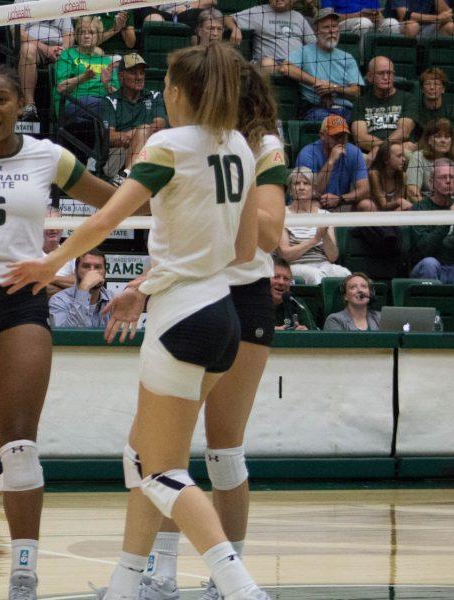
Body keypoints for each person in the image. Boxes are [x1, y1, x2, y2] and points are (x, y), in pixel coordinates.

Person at [5, 43, 269, 600]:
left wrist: (51, 262)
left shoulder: (169, 144)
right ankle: (125, 585)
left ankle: (242, 588)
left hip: (181, 317)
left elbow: (105, 218)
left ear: (177, 91)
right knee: (140, 456)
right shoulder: (242, 145)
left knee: (161, 471)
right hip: (224, 312)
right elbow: (246, 249)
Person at [0, 65, 115, 600]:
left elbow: (113, 201)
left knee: (19, 444)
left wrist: (57, 259)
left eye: (2, 100)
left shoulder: (46, 154)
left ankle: (23, 572)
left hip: (23, 301)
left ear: (20, 104)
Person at [138, 61, 288, 600]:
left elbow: (268, 235)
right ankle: (160, 574)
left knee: (222, 450)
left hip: (240, 297)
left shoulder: (260, 145)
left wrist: (234, 181)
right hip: (190, 293)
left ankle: (232, 578)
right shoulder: (184, 140)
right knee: (159, 451)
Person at [281, 8, 364, 122]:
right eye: (326, 27)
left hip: (346, 110)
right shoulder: (305, 52)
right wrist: (318, 83)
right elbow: (286, 68)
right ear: (316, 31)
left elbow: (356, 92)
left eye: (334, 27)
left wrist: (333, 88)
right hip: (316, 109)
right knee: (330, 122)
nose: (331, 31)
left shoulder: (347, 57)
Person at [100, 53, 167, 182]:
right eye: (133, 73)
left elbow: (159, 126)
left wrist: (133, 134)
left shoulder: (154, 96)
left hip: (149, 152)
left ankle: (125, 176)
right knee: (144, 132)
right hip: (118, 156)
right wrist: (139, 134)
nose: (139, 77)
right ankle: (127, 175)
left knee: (147, 134)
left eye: (142, 73)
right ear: (121, 76)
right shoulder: (110, 100)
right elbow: (109, 137)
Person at [280, 166, 351, 283]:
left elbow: (333, 257)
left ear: (312, 189)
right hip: (295, 265)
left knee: (345, 274)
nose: (301, 187)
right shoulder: (283, 214)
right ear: (291, 190)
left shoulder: (324, 215)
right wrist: (315, 239)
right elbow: (285, 255)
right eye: (297, 183)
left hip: (323, 264)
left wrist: (325, 235)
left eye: (306, 183)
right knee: (315, 275)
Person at [295, 114, 370, 210]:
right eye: (336, 136)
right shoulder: (307, 154)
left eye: (343, 136)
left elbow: (364, 189)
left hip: (341, 203)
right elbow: (310, 192)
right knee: (313, 206)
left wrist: (340, 199)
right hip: (313, 202)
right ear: (322, 135)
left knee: (367, 204)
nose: (340, 140)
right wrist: (330, 162)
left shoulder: (353, 152)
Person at [351, 57, 418, 164]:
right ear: (369, 76)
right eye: (381, 73)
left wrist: (382, 149)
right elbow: (360, 138)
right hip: (369, 153)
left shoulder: (407, 98)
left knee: (415, 158)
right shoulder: (361, 102)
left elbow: (404, 131)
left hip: (401, 152)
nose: (386, 77)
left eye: (390, 73)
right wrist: (386, 149)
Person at [53, 16, 116, 122]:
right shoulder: (67, 55)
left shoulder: (106, 61)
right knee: (107, 107)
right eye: (82, 32)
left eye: (91, 32)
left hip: (102, 103)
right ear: (77, 35)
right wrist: (83, 77)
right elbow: (61, 88)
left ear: (98, 36)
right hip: (74, 102)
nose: (86, 36)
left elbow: (116, 93)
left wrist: (107, 84)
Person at [226, 0, 315, 72]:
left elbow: (313, 43)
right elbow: (227, 18)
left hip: (295, 64)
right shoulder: (258, 12)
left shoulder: (298, 16)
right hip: (270, 63)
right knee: (267, 63)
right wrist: (235, 28)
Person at [18, 17, 73, 121]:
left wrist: (63, 49)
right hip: (34, 46)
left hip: (58, 49)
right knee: (27, 50)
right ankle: (29, 106)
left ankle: (66, 114)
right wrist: (45, 48)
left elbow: (69, 35)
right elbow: (17, 33)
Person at [410, 159, 454, 282]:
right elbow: (423, 250)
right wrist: (447, 220)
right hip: (427, 267)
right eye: (443, 177)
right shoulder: (420, 209)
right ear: (431, 183)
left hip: (451, 268)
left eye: (451, 177)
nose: (448, 181)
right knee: (430, 263)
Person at [49, 249, 113, 329]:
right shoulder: (58, 300)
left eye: (97, 267)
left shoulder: (114, 300)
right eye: (86, 266)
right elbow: (67, 338)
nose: (92, 272)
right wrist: (84, 289)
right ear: (75, 272)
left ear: (105, 273)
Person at [407, 118, 453, 202]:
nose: (443, 140)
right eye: (438, 136)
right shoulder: (418, 157)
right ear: (429, 140)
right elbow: (412, 190)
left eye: (447, 136)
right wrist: (425, 209)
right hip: (426, 206)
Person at [272, 257, 318, 330]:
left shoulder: (296, 303)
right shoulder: (254, 303)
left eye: (286, 279)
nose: (281, 282)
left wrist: (306, 331)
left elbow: (316, 335)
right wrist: (269, 331)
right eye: (276, 277)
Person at [367, 141, 412, 211]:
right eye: (399, 156)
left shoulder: (403, 176)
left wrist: (400, 202)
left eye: (403, 155)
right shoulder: (374, 174)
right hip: (375, 214)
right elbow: (383, 206)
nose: (404, 159)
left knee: (404, 208)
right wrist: (399, 201)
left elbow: (398, 205)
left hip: (390, 214)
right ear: (386, 159)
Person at [321, 0, 400, 35]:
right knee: (364, 23)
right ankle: (362, 64)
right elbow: (327, 16)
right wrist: (358, 15)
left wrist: (378, 15)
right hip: (342, 23)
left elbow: (377, 10)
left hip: (371, 22)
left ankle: (386, 64)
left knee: (392, 23)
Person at [416, 69, 453, 138]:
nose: (432, 87)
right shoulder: (414, 109)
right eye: (427, 84)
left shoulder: (451, 110)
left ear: (443, 89)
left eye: (436, 84)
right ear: (422, 89)